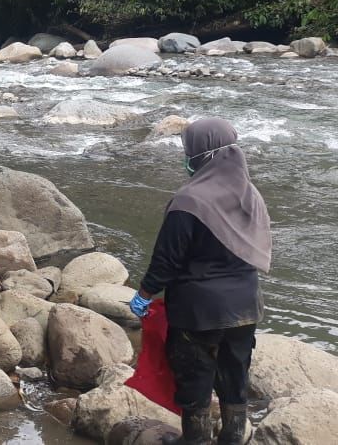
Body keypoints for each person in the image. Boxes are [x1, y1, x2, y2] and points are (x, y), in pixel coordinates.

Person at [129, 118, 271, 445]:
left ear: (203, 155)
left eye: (188, 152)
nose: (186, 158)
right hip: (246, 309)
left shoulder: (189, 201)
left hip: (198, 313)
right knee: (235, 378)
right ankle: (234, 439)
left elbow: (166, 260)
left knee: (195, 383)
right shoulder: (251, 196)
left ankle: (195, 441)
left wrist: (144, 294)